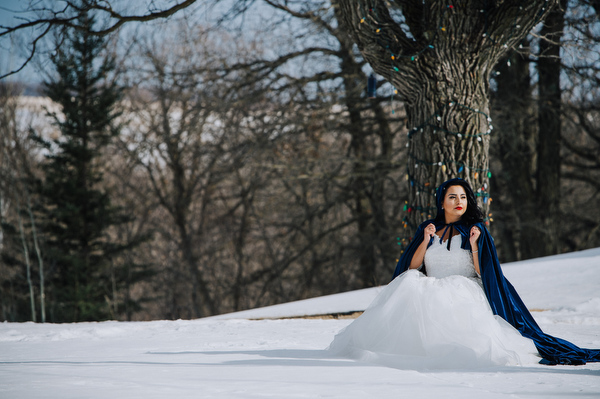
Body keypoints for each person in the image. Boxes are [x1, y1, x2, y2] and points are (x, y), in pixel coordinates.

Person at [329, 178, 600, 368]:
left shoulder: (476, 229)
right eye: (452, 197)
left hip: (464, 288)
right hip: (430, 285)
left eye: (463, 197)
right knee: (411, 284)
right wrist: (424, 239)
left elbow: (485, 273)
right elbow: (411, 268)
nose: (459, 202)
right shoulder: (429, 227)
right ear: (442, 202)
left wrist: (473, 245)